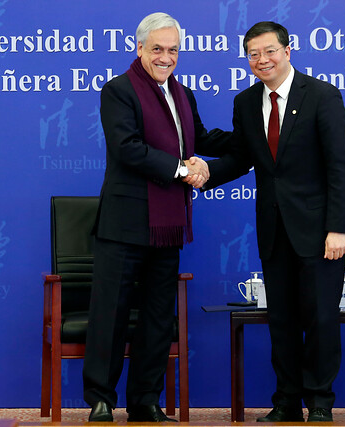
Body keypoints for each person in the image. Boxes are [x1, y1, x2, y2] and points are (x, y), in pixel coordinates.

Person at [82, 12, 229, 423]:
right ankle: (101, 398)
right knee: (110, 313)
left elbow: (199, 138)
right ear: (140, 48)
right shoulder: (118, 90)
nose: (166, 57)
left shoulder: (182, 94)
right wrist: (185, 170)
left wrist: (253, 140)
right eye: (158, 49)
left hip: (167, 228)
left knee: (157, 315)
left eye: (173, 50)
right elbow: (127, 148)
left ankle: (146, 399)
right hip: (124, 224)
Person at [206, 21, 345, 422]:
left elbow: (340, 167)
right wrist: (202, 173)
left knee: (322, 319)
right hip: (274, 230)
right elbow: (241, 157)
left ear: (288, 51)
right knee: (282, 321)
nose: (262, 60)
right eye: (253, 54)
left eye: (269, 51)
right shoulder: (246, 102)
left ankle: (320, 402)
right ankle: (286, 402)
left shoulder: (322, 95)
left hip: (321, 232)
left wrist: (338, 227)